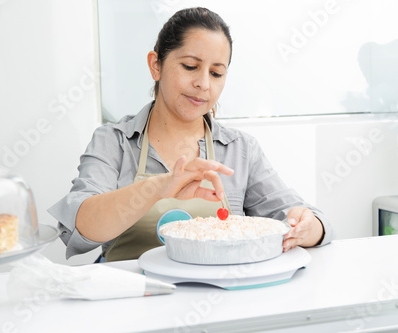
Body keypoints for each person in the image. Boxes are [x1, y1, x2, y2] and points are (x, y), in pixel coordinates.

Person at [48, 7, 333, 263]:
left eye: (217, 73)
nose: (203, 84)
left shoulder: (239, 149)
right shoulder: (114, 142)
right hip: (130, 303)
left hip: (215, 302)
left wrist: (309, 228)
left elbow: (308, 218)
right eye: (190, 67)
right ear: (155, 65)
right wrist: (158, 188)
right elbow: (81, 228)